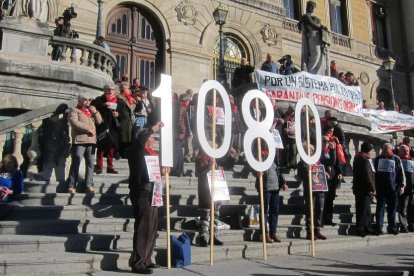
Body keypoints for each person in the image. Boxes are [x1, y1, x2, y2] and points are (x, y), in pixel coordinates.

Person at [128, 121, 166, 274]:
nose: (154, 140)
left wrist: (162, 171)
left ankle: (147, 259)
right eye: (152, 137)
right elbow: (139, 141)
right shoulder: (136, 150)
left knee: (152, 227)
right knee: (143, 227)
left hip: (154, 192)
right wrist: (152, 128)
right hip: (142, 193)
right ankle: (138, 262)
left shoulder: (152, 154)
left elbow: (153, 174)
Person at [66, 93, 102, 193]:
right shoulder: (74, 110)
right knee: (76, 162)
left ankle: (89, 186)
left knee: (90, 164)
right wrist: (87, 129)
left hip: (91, 141)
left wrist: (95, 112)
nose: (87, 101)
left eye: (89, 99)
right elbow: (74, 122)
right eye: (85, 99)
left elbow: (99, 121)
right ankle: (71, 185)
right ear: (79, 100)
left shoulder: (90, 112)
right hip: (79, 141)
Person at [255, 150, 288, 243]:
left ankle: (273, 232)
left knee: (275, 211)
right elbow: (254, 167)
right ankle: (264, 234)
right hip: (265, 187)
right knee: (264, 211)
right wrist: (257, 173)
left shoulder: (275, 156)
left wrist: (283, 182)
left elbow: (279, 170)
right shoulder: (260, 155)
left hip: (275, 188)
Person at [373, 143, 406, 235]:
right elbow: (373, 174)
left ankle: (392, 227)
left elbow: (400, 173)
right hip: (380, 189)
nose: (384, 150)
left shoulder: (396, 159)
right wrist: (373, 187)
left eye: (386, 149)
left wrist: (402, 185)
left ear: (391, 149)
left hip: (393, 188)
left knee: (392, 209)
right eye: (383, 149)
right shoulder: (377, 159)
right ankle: (378, 227)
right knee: (380, 209)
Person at [297, 144, 327, 240]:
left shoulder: (317, 162)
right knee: (310, 210)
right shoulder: (302, 163)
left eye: (310, 149)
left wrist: (324, 173)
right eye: (306, 149)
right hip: (309, 189)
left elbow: (326, 165)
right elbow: (300, 176)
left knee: (320, 210)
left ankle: (317, 230)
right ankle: (309, 232)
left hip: (319, 189)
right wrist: (307, 170)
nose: (309, 150)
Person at [92, 82, 121, 174]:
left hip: (113, 126)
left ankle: (110, 167)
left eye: (112, 90)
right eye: (109, 89)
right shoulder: (100, 99)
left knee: (111, 147)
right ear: (105, 90)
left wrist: (118, 114)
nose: (111, 91)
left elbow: (124, 114)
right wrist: (103, 105)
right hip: (102, 125)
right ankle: (99, 166)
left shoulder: (119, 101)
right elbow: (93, 106)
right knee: (101, 145)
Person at [352, 142, 377, 237]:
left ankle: (367, 227)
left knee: (367, 210)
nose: (373, 152)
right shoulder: (363, 159)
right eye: (372, 150)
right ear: (368, 150)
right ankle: (360, 228)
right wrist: (372, 188)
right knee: (362, 210)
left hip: (361, 188)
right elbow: (367, 176)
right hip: (363, 188)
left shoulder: (360, 157)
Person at [298, 1, 329, 76]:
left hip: (318, 37)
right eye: (312, 7)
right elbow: (313, 24)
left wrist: (321, 26)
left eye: (314, 7)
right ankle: (311, 72)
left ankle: (317, 73)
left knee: (320, 55)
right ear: (309, 7)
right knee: (316, 54)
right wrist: (321, 26)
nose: (313, 9)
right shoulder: (306, 16)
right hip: (312, 36)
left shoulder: (312, 17)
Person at [397, 145, 414, 232]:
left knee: (412, 207)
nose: (406, 152)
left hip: (412, 188)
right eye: (404, 151)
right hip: (403, 188)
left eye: (407, 150)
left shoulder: (411, 160)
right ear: (399, 151)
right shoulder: (397, 160)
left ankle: (411, 224)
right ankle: (403, 225)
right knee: (402, 207)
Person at [118, 82, 136, 158]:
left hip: (129, 120)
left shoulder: (130, 98)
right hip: (122, 120)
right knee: (124, 136)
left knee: (128, 136)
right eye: (128, 88)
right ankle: (122, 152)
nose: (129, 90)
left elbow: (136, 108)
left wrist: (137, 101)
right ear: (124, 89)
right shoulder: (119, 97)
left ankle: (126, 153)